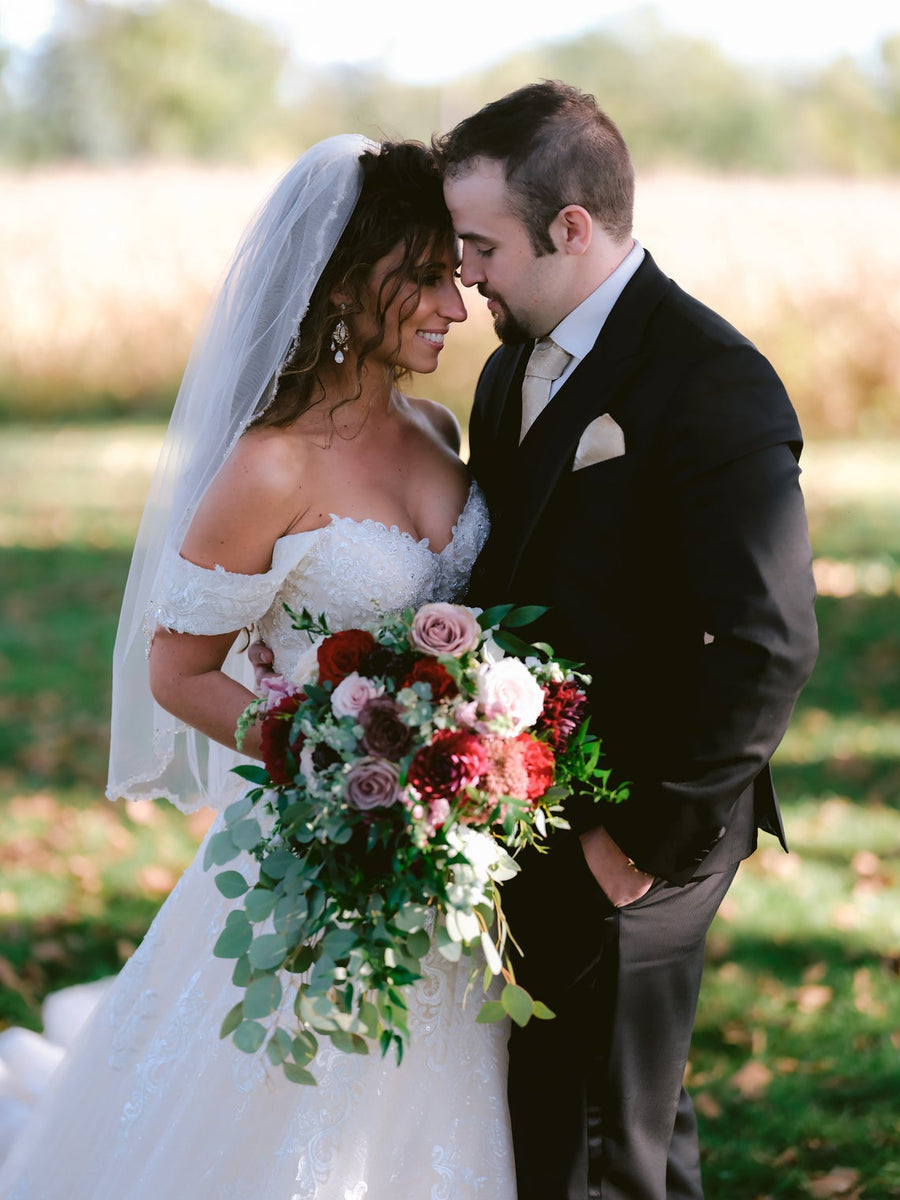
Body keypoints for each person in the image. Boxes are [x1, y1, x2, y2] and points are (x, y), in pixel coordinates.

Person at [0, 135, 517, 1199]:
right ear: (341, 285)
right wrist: (327, 769)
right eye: (422, 278)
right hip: (317, 845)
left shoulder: (439, 425)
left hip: (446, 852)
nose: (453, 308)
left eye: (453, 278)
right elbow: (179, 670)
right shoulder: (269, 463)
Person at [433, 81, 819, 1200]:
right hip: (540, 796)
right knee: (611, 1114)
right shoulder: (514, 361)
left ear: (570, 228)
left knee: (594, 1139)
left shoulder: (713, 380)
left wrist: (640, 844)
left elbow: (767, 643)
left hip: (650, 816)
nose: (465, 273)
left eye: (479, 243)